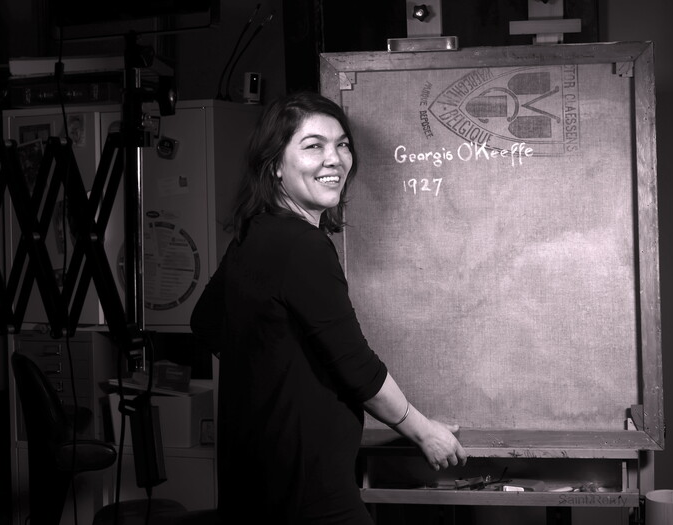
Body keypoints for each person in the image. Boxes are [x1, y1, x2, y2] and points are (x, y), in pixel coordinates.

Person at [190, 91, 467, 524]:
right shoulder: (302, 247)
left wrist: (281, 371)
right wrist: (424, 431)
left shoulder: (256, 233)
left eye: (341, 144)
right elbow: (356, 366)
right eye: (313, 145)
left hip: (257, 483)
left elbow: (205, 323)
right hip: (308, 490)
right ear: (275, 165)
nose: (334, 158)